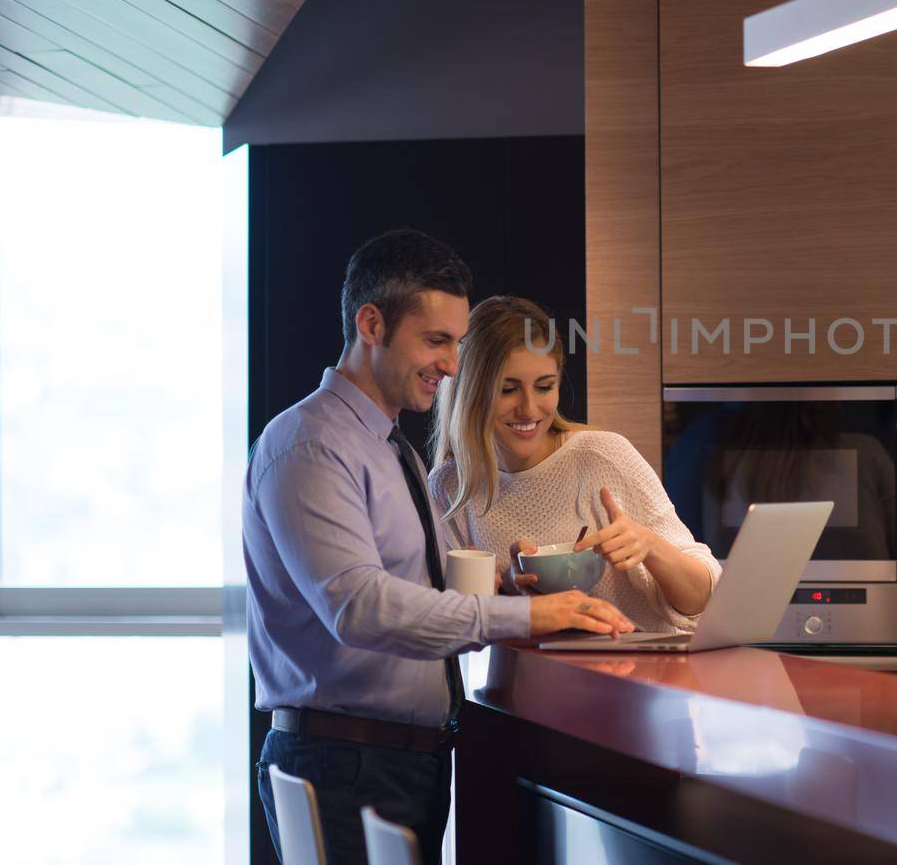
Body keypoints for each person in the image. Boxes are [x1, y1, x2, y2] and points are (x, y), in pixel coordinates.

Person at [243, 231, 633, 865]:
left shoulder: (390, 448)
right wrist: (530, 616)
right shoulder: (312, 446)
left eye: (455, 344)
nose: (452, 366)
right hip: (347, 766)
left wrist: (507, 589)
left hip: (391, 763)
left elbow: (414, 591)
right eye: (436, 341)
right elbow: (359, 607)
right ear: (371, 324)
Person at [429, 295, 722, 631]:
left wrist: (649, 545)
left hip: (647, 672)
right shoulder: (449, 487)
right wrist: (508, 589)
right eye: (508, 389)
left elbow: (704, 599)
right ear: (470, 392)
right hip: (530, 679)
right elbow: (457, 627)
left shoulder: (603, 456)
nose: (529, 409)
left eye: (544, 387)